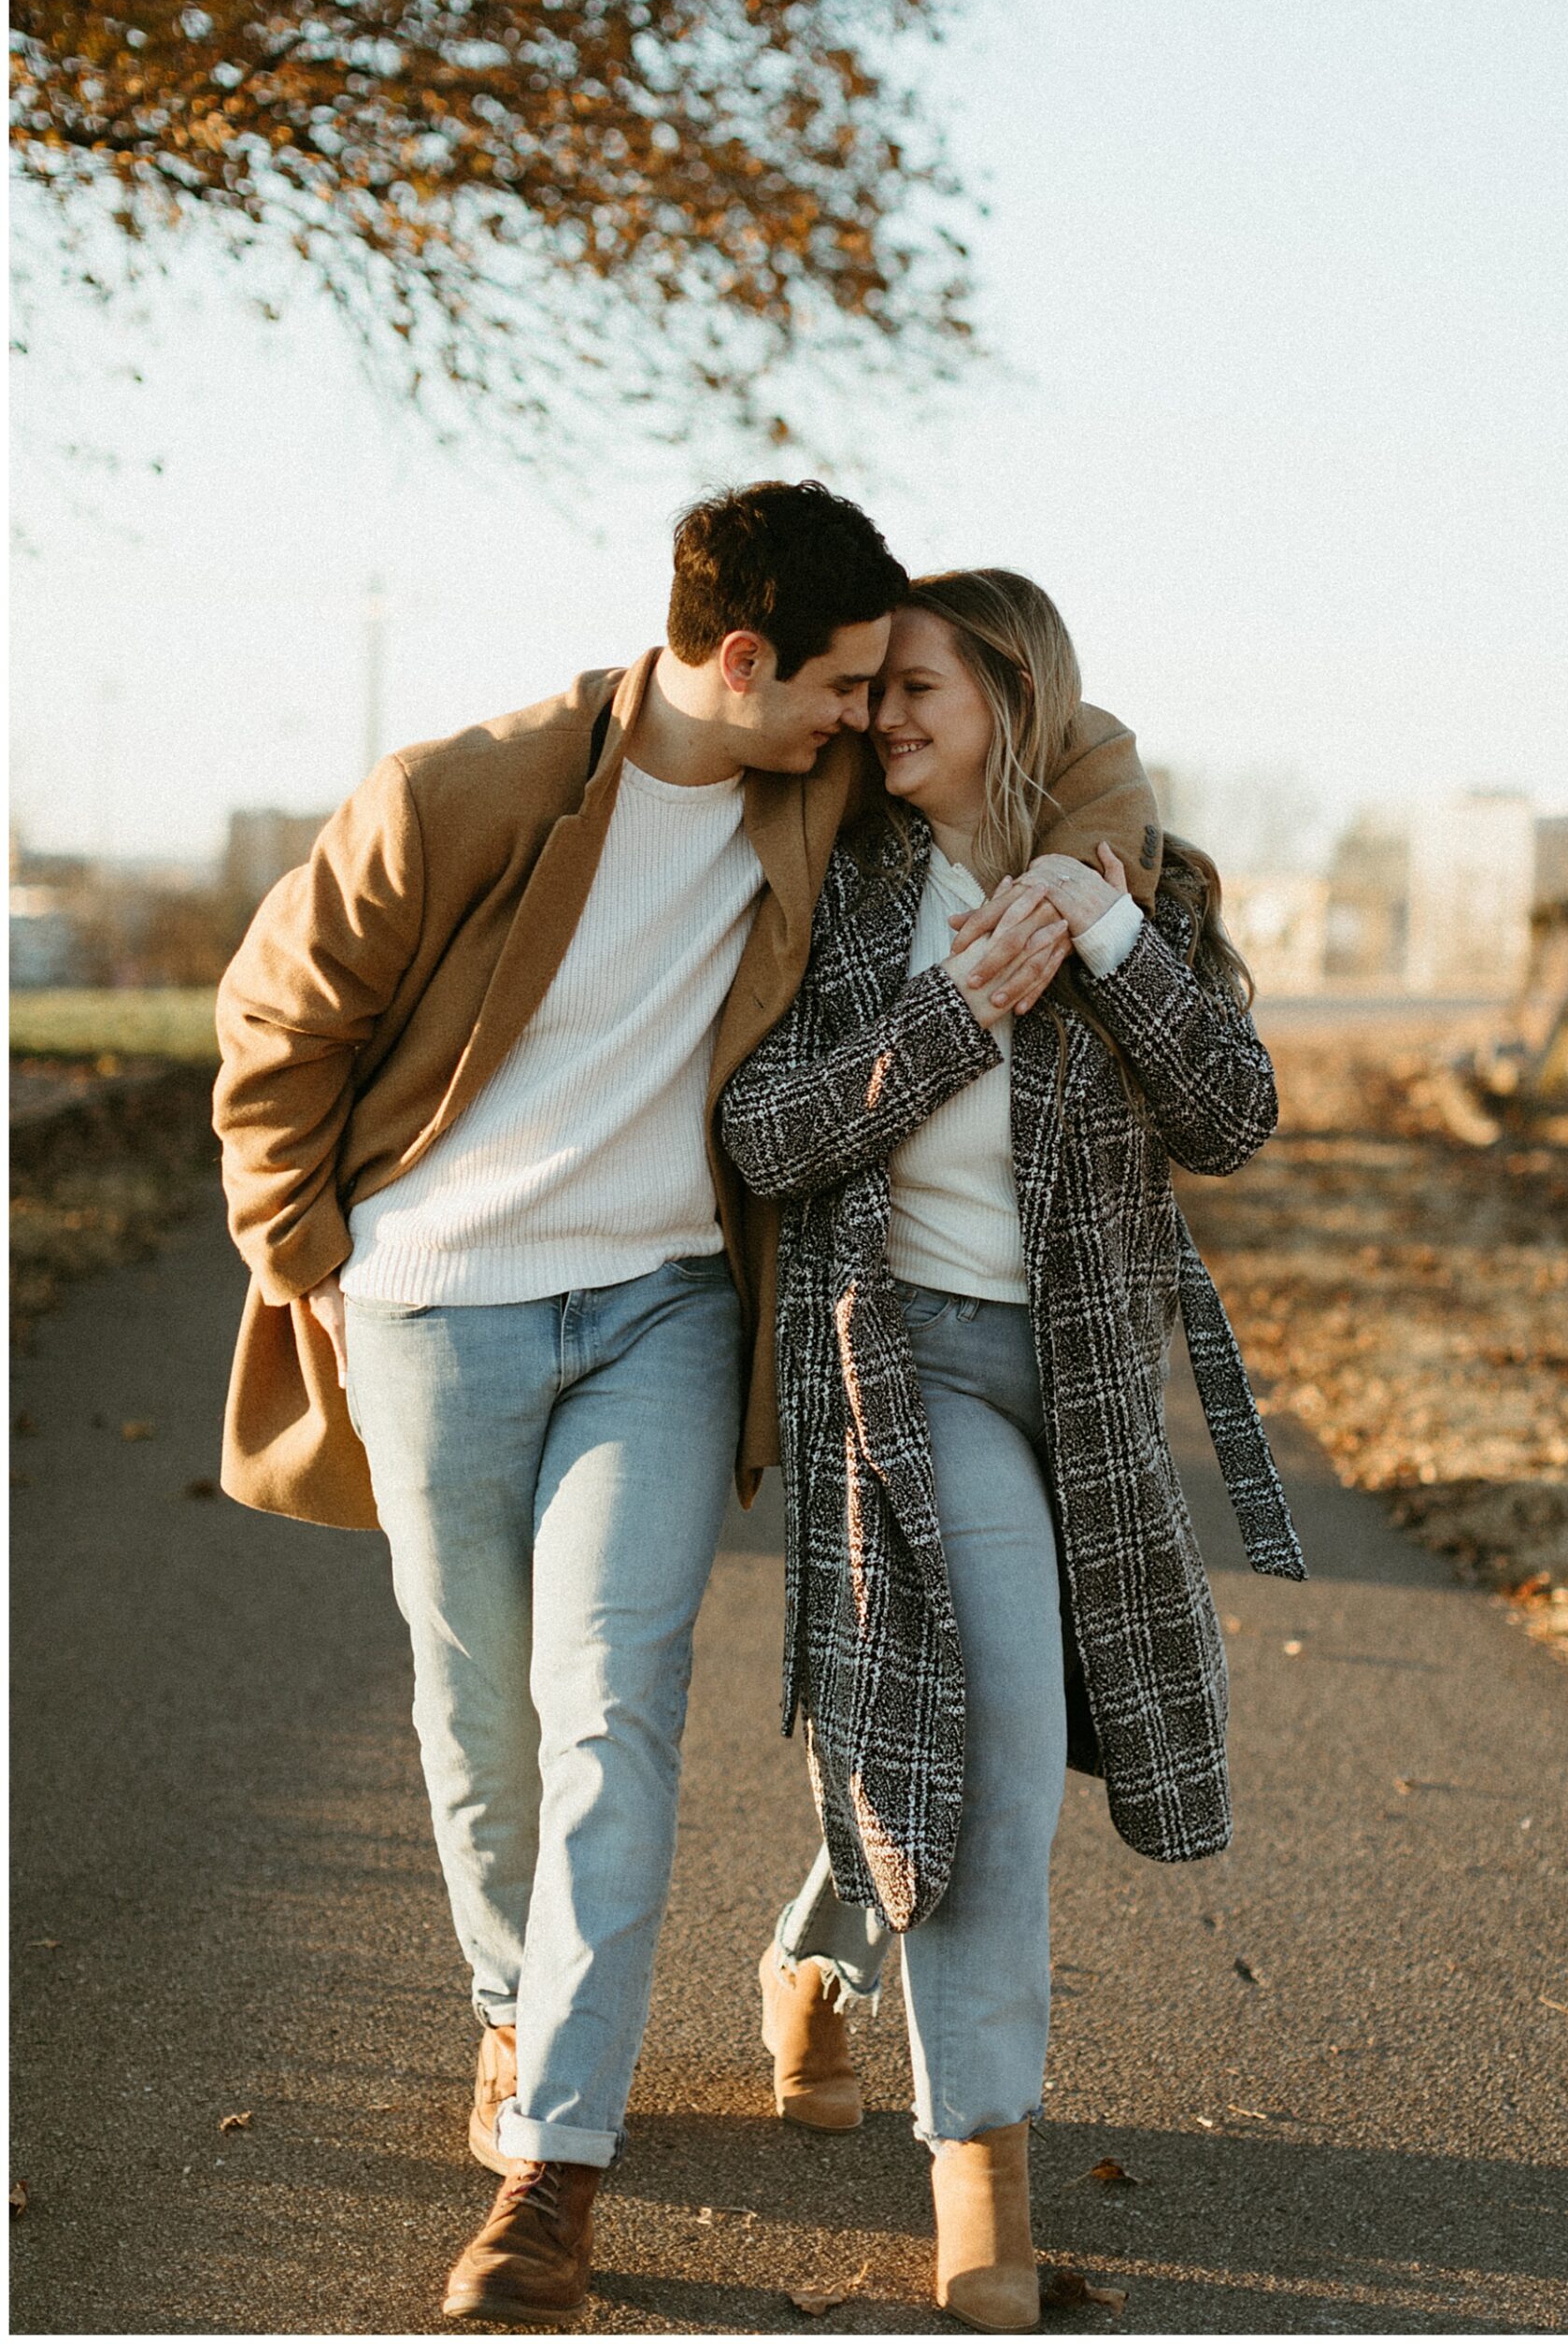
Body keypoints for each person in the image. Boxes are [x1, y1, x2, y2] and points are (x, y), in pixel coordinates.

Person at [211, 491, 1159, 2327]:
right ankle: (515, 2011)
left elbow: (1081, 742)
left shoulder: (806, 781)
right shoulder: (461, 794)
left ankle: (552, 2169)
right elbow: (276, 1018)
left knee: (615, 1710)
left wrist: (1082, 876)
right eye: (843, 686)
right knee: (478, 1716)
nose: (868, 723)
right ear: (743, 660)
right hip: (437, 1311)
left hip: (663, 1310)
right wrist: (306, 1246)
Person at [720, 569, 1304, 2335]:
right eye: (874, 689)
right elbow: (763, 1129)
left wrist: (1106, 941)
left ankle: (821, 1955)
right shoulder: (846, 895)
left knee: (965, 1735)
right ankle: (983, 2177)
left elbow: (1233, 1116)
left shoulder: (1146, 887)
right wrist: (949, 1016)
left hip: (1095, 1399)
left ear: (1013, 695)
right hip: (913, 1375)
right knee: (991, 1756)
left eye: (917, 689)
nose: (879, 717)